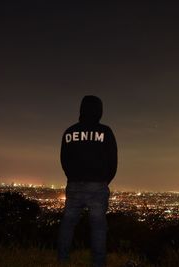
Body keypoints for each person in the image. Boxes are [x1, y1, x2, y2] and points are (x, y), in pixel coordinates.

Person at [58, 95, 118, 267]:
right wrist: (104, 180)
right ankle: (98, 263)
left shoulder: (69, 132)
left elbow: (64, 159)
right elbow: (113, 161)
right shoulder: (105, 132)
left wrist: (72, 177)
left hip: (74, 184)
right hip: (98, 185)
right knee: (98, 226)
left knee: (68, 223)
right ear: (99, 111)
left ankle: (62, 260)